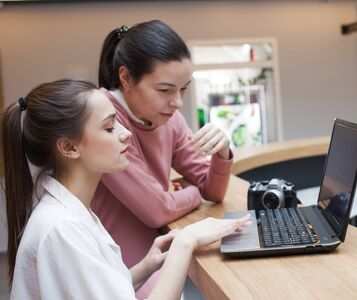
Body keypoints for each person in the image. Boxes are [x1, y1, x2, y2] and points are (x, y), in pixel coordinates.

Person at [2, 79, 250, 299]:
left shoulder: (70, 212)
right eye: (110, 127)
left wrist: (145, 267)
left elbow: (98, 291)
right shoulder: (62, 229)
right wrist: (186, 241)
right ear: (69, 147)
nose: (126, 134)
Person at [94, 20, 233, 297]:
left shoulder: (170, 119)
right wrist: (191, 193)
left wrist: (222, 153)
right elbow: (157, 209)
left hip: (153, 261)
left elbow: (213, 190)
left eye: (183, 89)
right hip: (115, 270)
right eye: (165, 90)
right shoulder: (103, 120)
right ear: (126, 78)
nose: (178, 103)